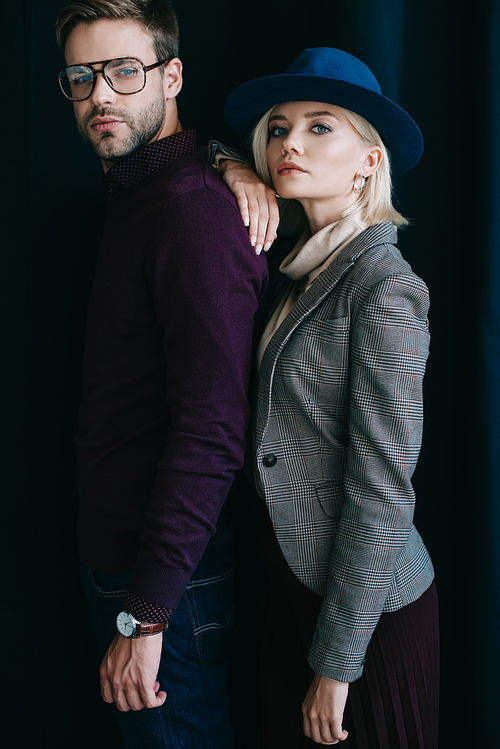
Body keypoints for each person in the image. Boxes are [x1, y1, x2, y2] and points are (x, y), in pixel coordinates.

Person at [54, 2, 268, 747]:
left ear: (171, 75)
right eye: (82, 77)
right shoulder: (142, 192)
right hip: (131, 567)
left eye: (123, 71)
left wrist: (147, 613)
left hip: (165, 587)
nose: (101, 95)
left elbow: (213, 430)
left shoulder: (192, 214)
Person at [221, 47, 439, 748]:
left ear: (369, 160)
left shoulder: (384, 284)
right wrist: (228, 165)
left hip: (366, 619)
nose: (290, 142)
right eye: (279, 127)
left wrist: (338, 664)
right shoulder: (299, 272)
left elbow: (382, 487)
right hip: (294, 591)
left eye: (321, 127)